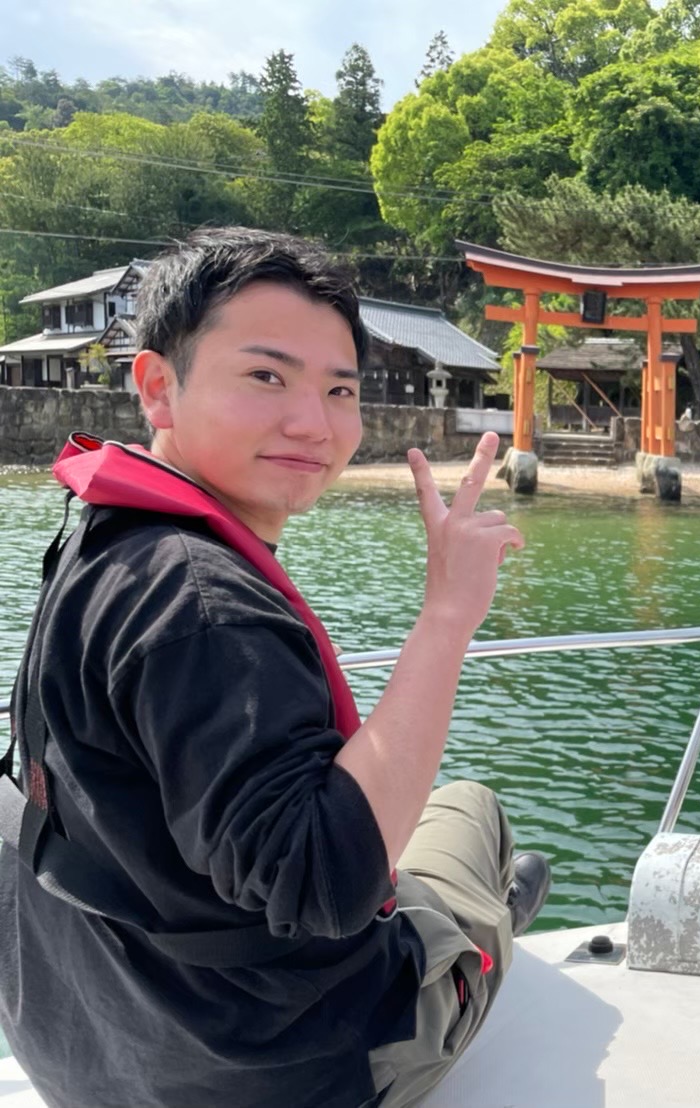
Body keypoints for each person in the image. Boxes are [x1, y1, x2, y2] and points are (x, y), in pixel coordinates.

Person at [0, 227, 550, 1108]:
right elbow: (330, 884)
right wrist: (448, 613)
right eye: (266, 376)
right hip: (276, 1074)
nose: (314, 422)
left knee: (418, 832)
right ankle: (474, 937)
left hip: (93, 1047)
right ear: (157, 387)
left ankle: (453, 912)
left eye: (340, 389)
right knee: (471, 811)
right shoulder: (203, 604)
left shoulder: (103, 543)